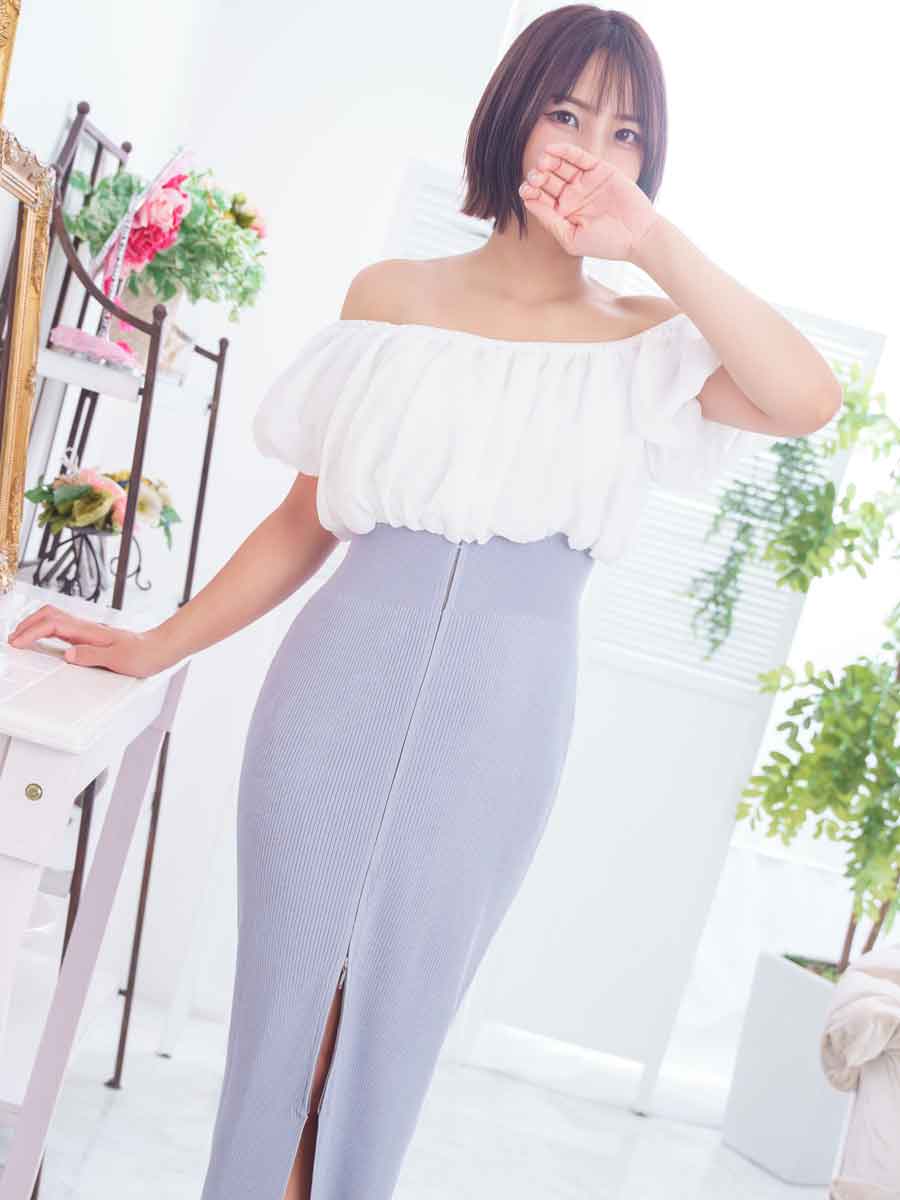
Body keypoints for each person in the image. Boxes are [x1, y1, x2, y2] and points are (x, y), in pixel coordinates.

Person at [6, 7, 841, 1199]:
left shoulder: (648, 338)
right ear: (511, 118)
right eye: (565, 113)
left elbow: (807, 399)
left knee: (385, 1037)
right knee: (288, 1022)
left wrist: (651, 243)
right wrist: (154, 646)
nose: (589, 150)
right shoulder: (392, 296)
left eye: (625, 133)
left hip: (502, 722)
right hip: (333, 695)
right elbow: (304, 520)